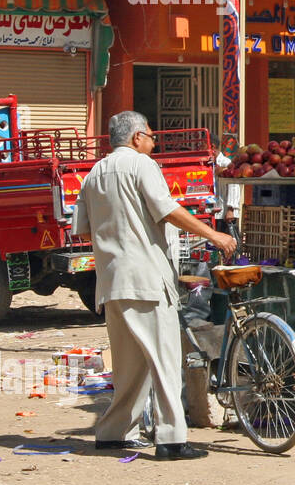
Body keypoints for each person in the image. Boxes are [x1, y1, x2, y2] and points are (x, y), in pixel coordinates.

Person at [71, 112, 238, 460]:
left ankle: (113, 432)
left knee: (130, 365)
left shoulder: (95, 173)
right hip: (145, 278)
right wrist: (213, 234)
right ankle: (172, 440)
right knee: (164, 359)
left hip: (113, 280)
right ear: (135, 138)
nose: (153, 142)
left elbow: (84, 230)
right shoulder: (141, 166)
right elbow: (167, 210)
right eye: (150, 136)